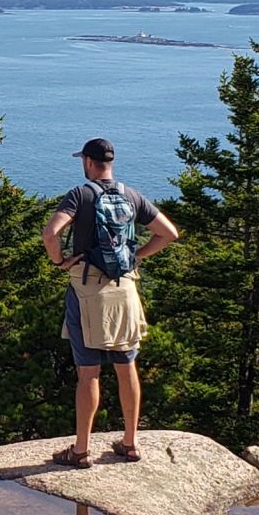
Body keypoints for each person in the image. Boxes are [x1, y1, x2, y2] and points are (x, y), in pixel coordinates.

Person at [42, 137, 178, 467]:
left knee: (89, 373)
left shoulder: (81, 194)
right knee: (126, 365)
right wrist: (137, 256)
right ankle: (130, 444)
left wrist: (60, 261)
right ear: (110, 162)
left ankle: (81, 450)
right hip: (126, 290)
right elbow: (169, 233)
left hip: (88, 292)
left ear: (88, 162)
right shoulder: (131, 195)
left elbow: (51, 234)